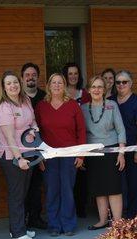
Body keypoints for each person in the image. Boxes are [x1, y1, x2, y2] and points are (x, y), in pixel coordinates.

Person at [35, 73, 86, 236]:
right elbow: (35, 134)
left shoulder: (72, 105)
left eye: (60, 83)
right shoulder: (41, 106)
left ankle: (69, 225)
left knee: (67, 190)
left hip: (69, 154)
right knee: (52, 190)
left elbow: (81, 130)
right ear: (49, 85)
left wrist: (81, 155)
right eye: (54, 82)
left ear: (64, 86)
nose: (57, 85)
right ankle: (54, 225)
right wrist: (39, 156)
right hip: (48, 155)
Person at [0, 70, 37, 239]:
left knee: (23, 192)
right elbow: (10, 137)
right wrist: (19, 158)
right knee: (16, 193)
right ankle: (18, 233)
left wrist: (35, 130)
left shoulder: (25, 100)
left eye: (15, 82)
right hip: (12, 156)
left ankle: (20, 227)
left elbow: (33, 121)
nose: (13, 86)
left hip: (29, 153)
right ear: (4, 88)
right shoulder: (5, 107)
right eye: (9, 83)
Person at [82, 75, 125, 230]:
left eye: (100, 87)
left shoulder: (112, 105)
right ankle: (103, 220)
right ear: (88, 90)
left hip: (112, 151)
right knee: (99, 189)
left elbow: (121, 130)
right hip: (93, 153)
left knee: (113, 188)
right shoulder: (83, 108)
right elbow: (81, 132)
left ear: (104, 89)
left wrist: (121, 153)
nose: (97, 90)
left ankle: (118, 222)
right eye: (93, 86)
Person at [109, 70, 137, 219]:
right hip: (116, 150)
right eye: (118, 82)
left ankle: (134, 216)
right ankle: (120, 215)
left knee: (134, 183)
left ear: (130, 84)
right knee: (118, 185)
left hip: (133, 150)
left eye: (124, 82)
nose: (121, 85)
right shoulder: (110, 101)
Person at [21, 62, 48, 230]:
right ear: (22, 78)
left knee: (37, 186)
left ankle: (35, 218)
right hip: (22, 150)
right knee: (23, 186)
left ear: (37, 78)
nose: (31, 78)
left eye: (33, 75)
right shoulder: (17, 96)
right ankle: (22, 219)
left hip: (41, 148)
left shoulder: (45, 96)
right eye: (27, 75)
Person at [62, 62, 91, 218]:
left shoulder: (85, 93)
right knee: (67, 179)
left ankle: (81, 208)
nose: (73, 76)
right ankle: (69, 211)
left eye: (75, 73)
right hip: (66, 140)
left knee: (82, 177)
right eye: (70, 73)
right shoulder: (61, 93)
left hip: (83, 137)